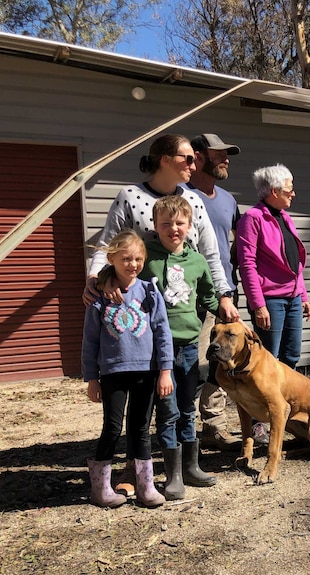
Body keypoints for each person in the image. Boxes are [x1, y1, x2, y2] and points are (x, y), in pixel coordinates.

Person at [82, 133, 240, 494]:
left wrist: (225, 296)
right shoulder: (131, 197)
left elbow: (210, 256)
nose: (193, 163)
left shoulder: (194, 201)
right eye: (186, 158)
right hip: (140, 321)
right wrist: (98, 277)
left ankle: (182, 468)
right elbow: (110, 245)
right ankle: (136, 469)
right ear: (164, 159)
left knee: (183, 394)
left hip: (187, 317)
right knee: (145, 396)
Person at [82, 230, 172, 508]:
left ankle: (146, 487)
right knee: (111, 427)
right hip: (112, 373)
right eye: (126, 259)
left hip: (146, 372)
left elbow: (162, 332)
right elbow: (90, 340)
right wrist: (91, 379)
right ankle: (100, 489)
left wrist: (165, 370)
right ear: (112, 258)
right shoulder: (99, 297)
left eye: (138, 259)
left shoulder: (149, 291)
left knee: (141, 428)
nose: (132, 264)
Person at [144, 195, 223, 501]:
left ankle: (191, 466)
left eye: (179, 223)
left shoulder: (197, 261)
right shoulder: (146, 257)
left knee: (188, 407)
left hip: (190, 344)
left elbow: (208, 295)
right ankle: (173, 474)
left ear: (190, 225)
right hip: (157, 348)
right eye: (166, 223)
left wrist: (226, 311)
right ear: (156, 226)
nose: (173, 228)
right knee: (167, 409)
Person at [236, 164, 310, 443]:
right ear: (274, 191)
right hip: (270, 300)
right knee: (264, 363)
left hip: (292, 297)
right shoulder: (252, 219)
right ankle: (259, 422)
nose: (294, 192)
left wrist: (302, 295)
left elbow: (296, 264)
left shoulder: (284, 217)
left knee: (290, 357)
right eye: (289, 187)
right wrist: (258, 305)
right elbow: (247, 264)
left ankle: (285, 414)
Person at [183, 133, 242, 451]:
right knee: (192, 364)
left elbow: (236, 243)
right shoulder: (180, 195)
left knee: (221, 362)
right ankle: (182, 429)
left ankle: (213, 426)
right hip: (190, 296)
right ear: (198, 157)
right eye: (219, 154)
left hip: (226, 293)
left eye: (226, 154)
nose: (226, 159)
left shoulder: (228, 200)